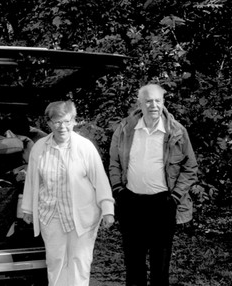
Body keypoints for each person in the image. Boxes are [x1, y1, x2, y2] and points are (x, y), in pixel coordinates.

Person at [109, 84, 198, 286]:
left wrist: (175, 197)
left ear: (163, 102)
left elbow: (190, 166)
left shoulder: (176, 131)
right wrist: (117, 190)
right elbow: (114, 162)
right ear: (140, 103)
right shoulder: (124, 129)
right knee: (133, 266)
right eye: (148, 101)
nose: (153, 105)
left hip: (163, 204)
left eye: (158, 100)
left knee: (160, 267)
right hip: (131, 202)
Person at [21, 100, 115, 286]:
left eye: (66, 121)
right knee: (56, 262)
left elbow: (100, 180)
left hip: (81, 215)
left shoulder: (85, 147)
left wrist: (107, 209)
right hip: (51, 214)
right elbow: (32, 180)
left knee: (79, 262)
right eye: (56, 122)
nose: (62, 127)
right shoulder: (39, 147)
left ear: (73, 121)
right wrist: (28, 209)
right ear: (48, 124)